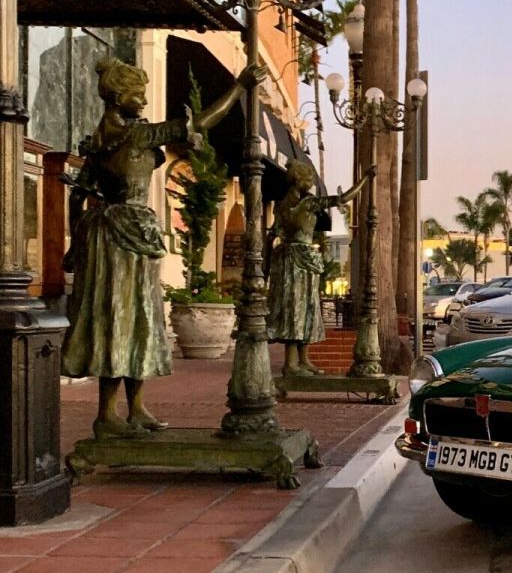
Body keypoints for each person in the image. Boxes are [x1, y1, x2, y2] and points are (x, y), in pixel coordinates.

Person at [62, 56, 259, 439]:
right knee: (118, 319)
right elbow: (200, 122)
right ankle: (107, 415)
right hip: (119, 238)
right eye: (137, 93)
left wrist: (75, 241)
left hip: (121, 236)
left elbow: (78, 196)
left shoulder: (104, 141)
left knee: (139, 319)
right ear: (118, 97)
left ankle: (135, 408)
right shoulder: (131, 136)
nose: (144, 100)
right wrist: (239, 86)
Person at [267, 158, 370, 376]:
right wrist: (366, 179)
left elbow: (272, 235)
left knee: (301, 308)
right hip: (299, 260)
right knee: (299, 308)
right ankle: (292, 364)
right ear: (300, 180)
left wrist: (267, 263)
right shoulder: (307, 203)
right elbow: (343, 198)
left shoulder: (282, 205)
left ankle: (303, 359)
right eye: (308, 179)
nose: (311, 183)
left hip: (289, 259)